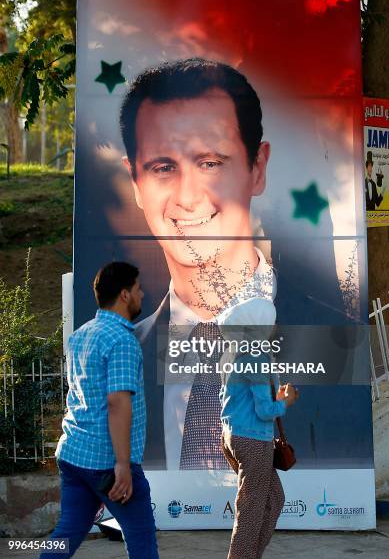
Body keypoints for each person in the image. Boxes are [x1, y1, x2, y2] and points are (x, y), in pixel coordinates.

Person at [120, 57, 364, 473]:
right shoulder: (127, 352)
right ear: (136, 185)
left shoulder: (336, 341)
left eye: (210, 163)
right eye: (163, 167)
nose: (188, 197)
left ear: (257, 169)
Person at [41, 262, 159, 559]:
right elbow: (117, 402)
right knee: (142, 540)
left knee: (66, 535)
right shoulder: (122, 340)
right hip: (108, 464)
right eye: (138, 288)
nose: (142, 295)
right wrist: (122, 464)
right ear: (124, 295)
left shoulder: (81, 334)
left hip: (73, 454)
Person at [219, 297, 299, 559]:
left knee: (272, 500)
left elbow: (240, 400)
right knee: (252, 508)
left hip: (233, 436)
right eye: (270, 322)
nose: (274, 326)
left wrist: (276, 400)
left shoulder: (232, 352)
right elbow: (264, 411)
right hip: (253, 440)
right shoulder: (256, 355)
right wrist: (286, 402)